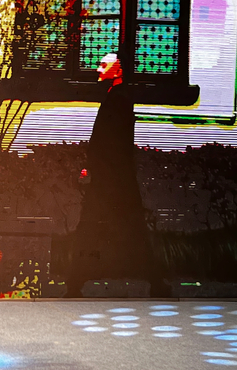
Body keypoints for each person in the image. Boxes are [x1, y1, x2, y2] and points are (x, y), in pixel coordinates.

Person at [65, 52, 168, 297]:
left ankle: (75, 283)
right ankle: (155, 282)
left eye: (104, 65)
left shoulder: (118, 99)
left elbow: (111, 143)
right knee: (128, 229)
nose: (98, 69)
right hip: (114, 179)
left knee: (97, 228)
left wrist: (96, 168)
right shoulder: (117, 97)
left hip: (112, 181)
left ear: (118, 70)